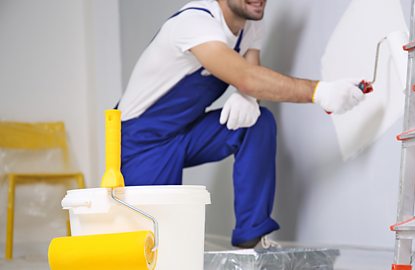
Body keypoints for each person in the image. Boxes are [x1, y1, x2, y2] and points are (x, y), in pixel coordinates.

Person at [118, 0, 366, 248]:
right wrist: (318, 91)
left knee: (258, 123)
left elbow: (251, 76)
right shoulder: (194, 23)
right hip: (142, 140)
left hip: (186, 130)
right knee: (156, 246)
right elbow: (248, 77)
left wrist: (248, 98)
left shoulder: (251, 27)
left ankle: (251, 240)